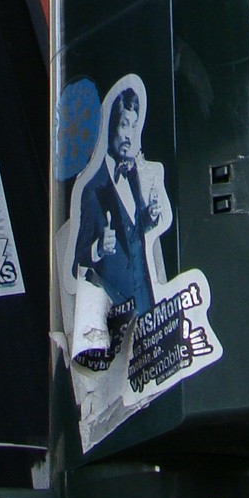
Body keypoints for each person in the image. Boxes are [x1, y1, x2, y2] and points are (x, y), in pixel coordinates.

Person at [73, 85, 167, 323]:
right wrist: (98, 248)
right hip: (115, 313)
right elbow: (77, 260)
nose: (129, 135)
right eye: (124, 125)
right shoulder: (92, 190)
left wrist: (149, 215)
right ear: (111, 127)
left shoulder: (132, 174)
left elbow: (133, 230)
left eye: (134, 126)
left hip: (145, 301)